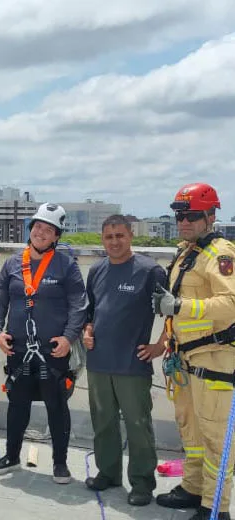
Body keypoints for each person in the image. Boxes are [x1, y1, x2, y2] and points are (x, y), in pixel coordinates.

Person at [0, 202, 86, 484]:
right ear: (30, 230)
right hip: (18, 348)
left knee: (56, 405)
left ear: (57, 236)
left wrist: (68, 338)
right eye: (38, 227)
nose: (41, 233)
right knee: (18, 404)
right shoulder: (13, 264)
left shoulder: (66, 265)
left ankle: (60, 463)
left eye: (49, 229)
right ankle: (12, 455)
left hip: (52, 351)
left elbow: (79, 305)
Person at [153, 183, 235, 520]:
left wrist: (182, 305)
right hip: (185, 357)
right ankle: (193, 487)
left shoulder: (221, 254)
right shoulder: (188, 252)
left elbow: (231, 302)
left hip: (213, 358)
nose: (183, 221)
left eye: (190, 215)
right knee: (191, 429)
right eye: (178, 215)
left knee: (215, 435)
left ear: (210, 216)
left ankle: (216, 505)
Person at [83, 214, 166, 506]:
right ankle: (108, 472)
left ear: (131, 236)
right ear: (102, 239)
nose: (114, 242)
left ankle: (142, 483)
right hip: (99, 362)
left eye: (120, 235)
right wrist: (87, 331)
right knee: (103, 422)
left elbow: (172, 314)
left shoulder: (150, 271)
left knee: (137, 424)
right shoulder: (96, 270)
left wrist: (160, 346)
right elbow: (89, 312)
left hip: (132, 364)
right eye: (109, 237)